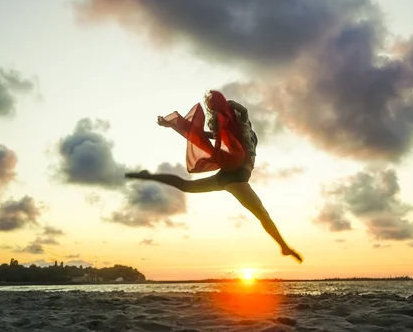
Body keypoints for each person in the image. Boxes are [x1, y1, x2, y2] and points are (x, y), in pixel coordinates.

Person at [125, 91, 303, 263]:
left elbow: (240, 114)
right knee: (262, 214)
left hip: (228, 176)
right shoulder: (239, 129)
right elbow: (231, 120)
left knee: (186, 186)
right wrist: (172, 124)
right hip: (236, 179)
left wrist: (173, 123)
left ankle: (149, 176)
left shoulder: (240, 127)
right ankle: (284, 247)